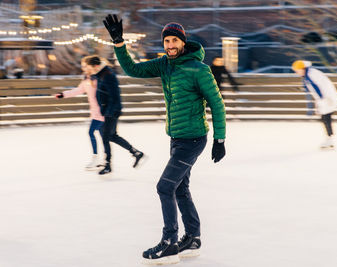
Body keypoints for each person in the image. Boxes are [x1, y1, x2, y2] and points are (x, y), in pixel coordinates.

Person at [103, 15, 226, 265]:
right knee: (180, 188)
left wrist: (220, 139)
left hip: (193, 139)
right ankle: (192, 238)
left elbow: (217, 103)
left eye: (174, 41)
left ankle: (169, 243)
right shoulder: (164, 65)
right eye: (166, 41)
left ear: (183, 42)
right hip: (177, 138)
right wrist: (118, 43)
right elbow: (133, 70)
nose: (170, 45)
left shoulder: (199, 69)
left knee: (164, 187)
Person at [84, 55, 145, 175]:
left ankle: (108, 165)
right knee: (112, 136)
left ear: (95, 66)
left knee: (106, 137)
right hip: (108, 110)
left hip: (111, 111)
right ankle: (136, 152)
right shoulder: (102, 74)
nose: (88, 69)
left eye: (89, 67)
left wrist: (110, 112)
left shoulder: (108, 75)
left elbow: (115, 95)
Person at [55, 56, 104, 169]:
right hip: (95, 112)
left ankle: (97, 158)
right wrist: (63, 94)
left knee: (92, 132)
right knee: (103, 135)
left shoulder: (98, 78)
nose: (83, 68)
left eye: (85, 66)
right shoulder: (87, 80)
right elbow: (78, 90)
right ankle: (105, 159)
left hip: (102, 111)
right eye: (82, 66)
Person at [292, 60, 337, 149]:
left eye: (297, 70)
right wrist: (302, 88)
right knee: (325, 118)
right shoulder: (308, 74)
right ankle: (329, 139)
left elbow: (319, 87)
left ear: (302, 68)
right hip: (326, 99)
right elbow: (311, 85)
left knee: (326, 118)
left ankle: (329, 139)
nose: (296, 72)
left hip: (328, 98)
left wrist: (323, 100)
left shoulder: (311, 74)